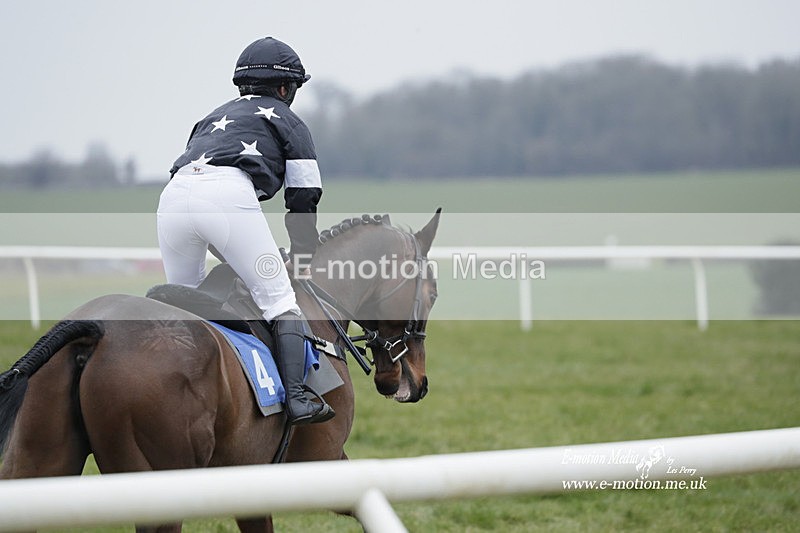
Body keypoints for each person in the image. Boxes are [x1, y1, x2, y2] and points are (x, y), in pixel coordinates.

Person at [157, 37, 334, 425]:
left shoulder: (211, 116)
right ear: (286, 88)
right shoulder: (289, 120)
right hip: (225, 195)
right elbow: (303, 196)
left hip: (172, 197)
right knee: (280, 301)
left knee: (186, 302)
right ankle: (299, 397)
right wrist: (303, 255)